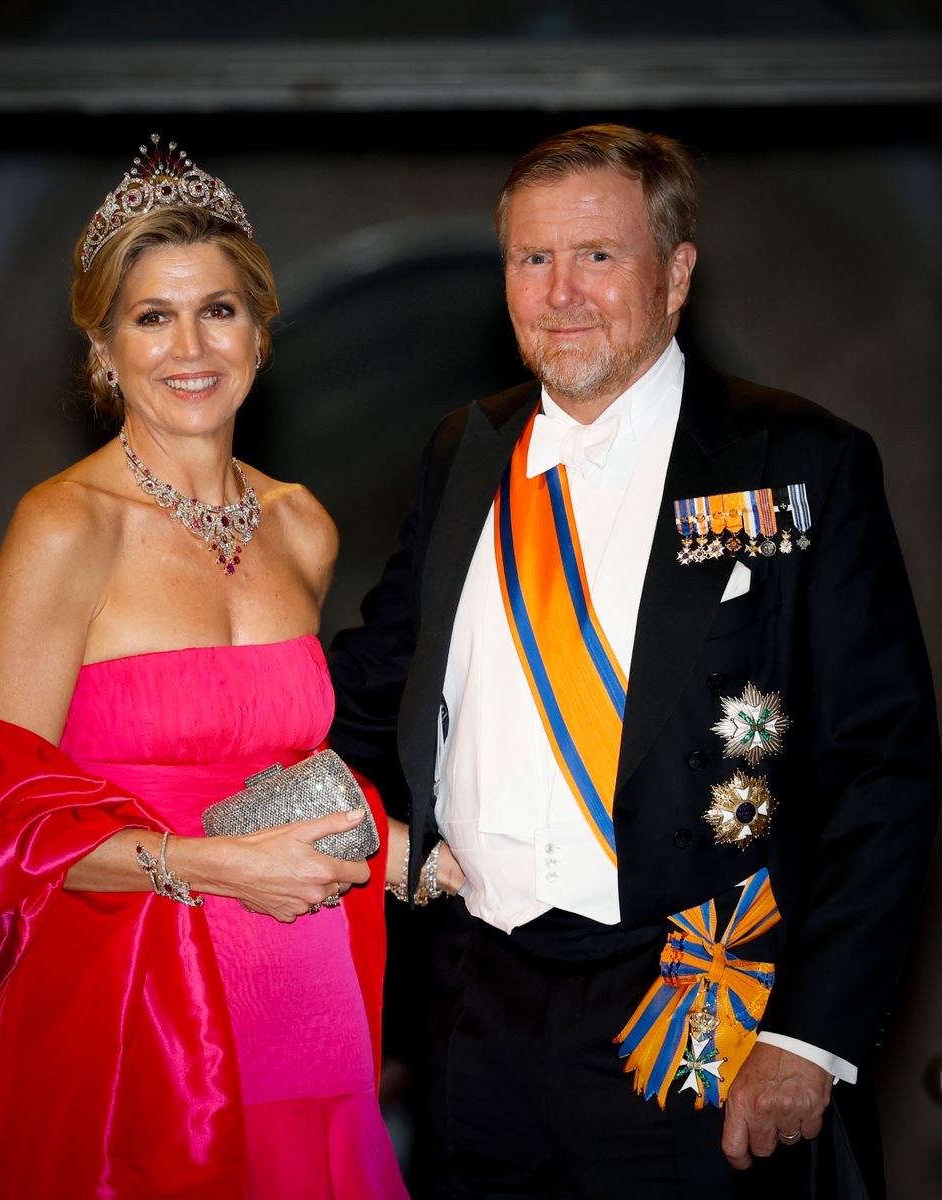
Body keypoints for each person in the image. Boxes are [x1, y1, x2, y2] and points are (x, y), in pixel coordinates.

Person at [329, 123, 941, 1198]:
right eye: (533, 259)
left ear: (676, 272)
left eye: (598, 257)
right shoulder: (464, 449)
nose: (561, 292)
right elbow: (377, 684)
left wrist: (811, 1039)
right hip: (475, 1010)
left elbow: (884, 771)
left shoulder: (800, 462)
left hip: (700, 1004)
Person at [0, 135, 413, 1199]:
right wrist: (220, 866)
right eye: (152, 316)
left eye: (218, 309)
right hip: (127, 993)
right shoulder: (64, 526)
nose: (191, 346)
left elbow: (285, 764)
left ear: (261, 332)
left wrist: (388, 833)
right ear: (105, 349)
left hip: (293, 971)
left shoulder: (301, 527)